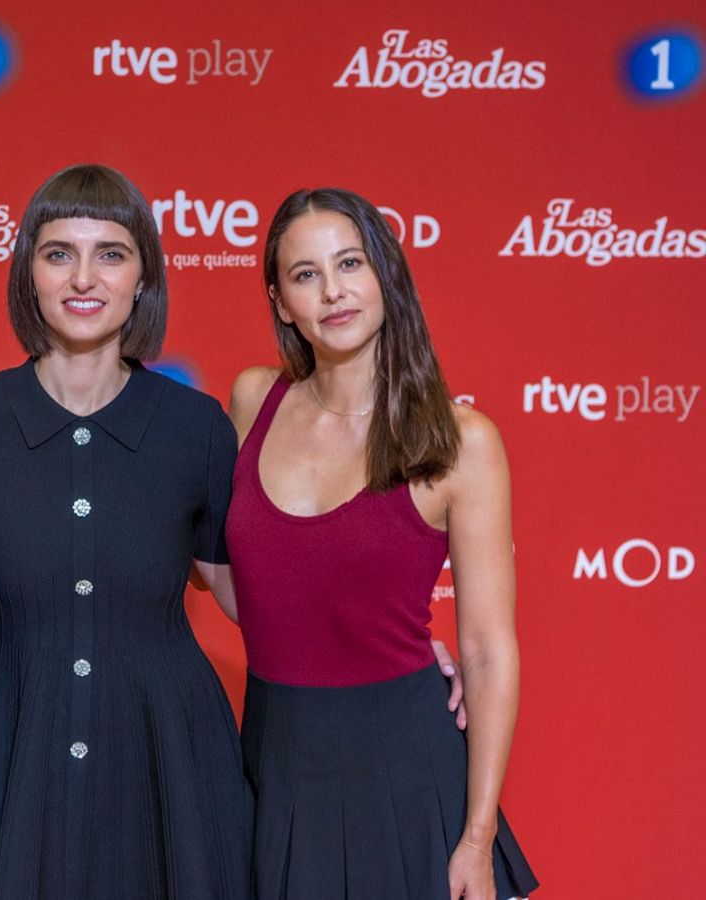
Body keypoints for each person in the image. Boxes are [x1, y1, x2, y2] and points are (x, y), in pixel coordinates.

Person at [0, 164, 252, 898]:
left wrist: (403, 653)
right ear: (28, 274)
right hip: (5, 756)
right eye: (59, 252)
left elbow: (250, 598)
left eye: (111, 253)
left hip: (168, 762)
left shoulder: (196, 430)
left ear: (143, 279)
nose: (84, 277)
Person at [225, 187, 538, 898]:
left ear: (384, 276)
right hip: (275, 760)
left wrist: (476, 839)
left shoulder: (461, 443)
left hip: (406, 770)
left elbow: (489, 651)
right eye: (305, 275)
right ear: (280, 301)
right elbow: (231, 575)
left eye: (350, 264)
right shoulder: (252, 401)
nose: (333, 291)